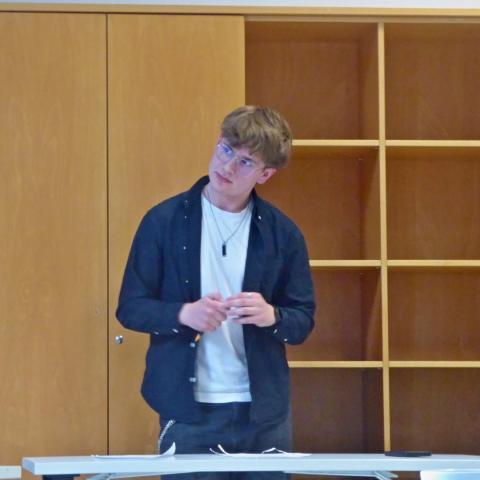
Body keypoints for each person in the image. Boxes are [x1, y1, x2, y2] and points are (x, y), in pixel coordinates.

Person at [116, 105, 316, 479]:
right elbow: (130, 308)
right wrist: (183, 314)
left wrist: (272, 316)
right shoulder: (163, 221)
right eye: (225, 149)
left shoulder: (284, 234)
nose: (227, 166)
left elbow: (303, 320)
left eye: (245, 162)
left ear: (266, 174)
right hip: (187, 410)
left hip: (264, 413)